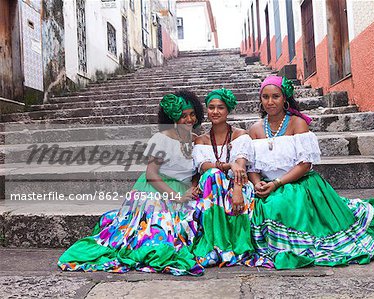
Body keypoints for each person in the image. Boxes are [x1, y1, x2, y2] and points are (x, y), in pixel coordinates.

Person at [58, 90, 205, 275]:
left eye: (192, 114)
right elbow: (151, 174)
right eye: (183, 116)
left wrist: (192, 188)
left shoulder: (197, 140)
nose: (189, 119)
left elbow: (196, 171)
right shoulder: (162, 138)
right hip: (158, 191)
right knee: (157, 237)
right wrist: (177, 197)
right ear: (173, 117)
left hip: (185, 191)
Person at [248, 75, 374, 269]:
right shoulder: (254, 129)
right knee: (261, 206)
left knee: (279, 204)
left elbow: (305, 165)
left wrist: (277, 183)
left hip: (297, 183)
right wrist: (257, 183)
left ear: (285, 99)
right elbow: (252, 167)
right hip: (266, 185)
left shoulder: (298, 124)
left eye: (275, 96)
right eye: (265, 97)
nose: (270, 102)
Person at [191, 88, 259, 267]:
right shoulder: (201, 140)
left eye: (220, 107)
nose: (215, 112)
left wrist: (237, 191)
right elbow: (204, 167)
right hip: (212, 188)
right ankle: (216, 245)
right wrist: (228, 165)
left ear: (228, 110)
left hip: (238, 185)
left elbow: (241, 167)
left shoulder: (241, 136)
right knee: (213, 175)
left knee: (217, 178)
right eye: (211, 107)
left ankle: (226, 245)